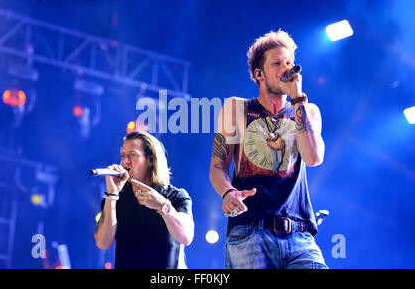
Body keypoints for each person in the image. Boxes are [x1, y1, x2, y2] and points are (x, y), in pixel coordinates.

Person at [209, 30, 328, 269]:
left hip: (300, 235)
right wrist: (228, 192)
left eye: (289, 63)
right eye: (277, 63)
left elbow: (313, 158)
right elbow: (217, 167)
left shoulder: (307, 110)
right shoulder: (236, 108)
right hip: (250, 232)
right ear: (259, 74)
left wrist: (297, 100)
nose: (286, 68)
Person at [94, 131, 194, 269]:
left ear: (150, 159)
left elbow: (186, 237)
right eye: (123, 155)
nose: (125, 161)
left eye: (132, 155)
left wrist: (163, 206)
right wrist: (112, 194)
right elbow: (102, 243)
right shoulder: (118, 198)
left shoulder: (176, 196)